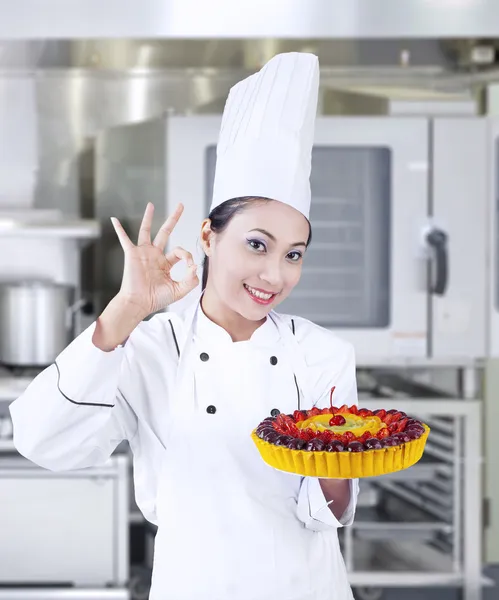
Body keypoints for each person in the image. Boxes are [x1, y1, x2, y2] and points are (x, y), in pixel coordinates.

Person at [9, 53, 359, 600]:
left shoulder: (323, 354)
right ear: (209, 235)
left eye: (294, 254)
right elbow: (42, 441)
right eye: (257, 244)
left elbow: (329, 512)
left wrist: (339, 464)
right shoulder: (150, 346)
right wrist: (128, 307)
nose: (275, 274)